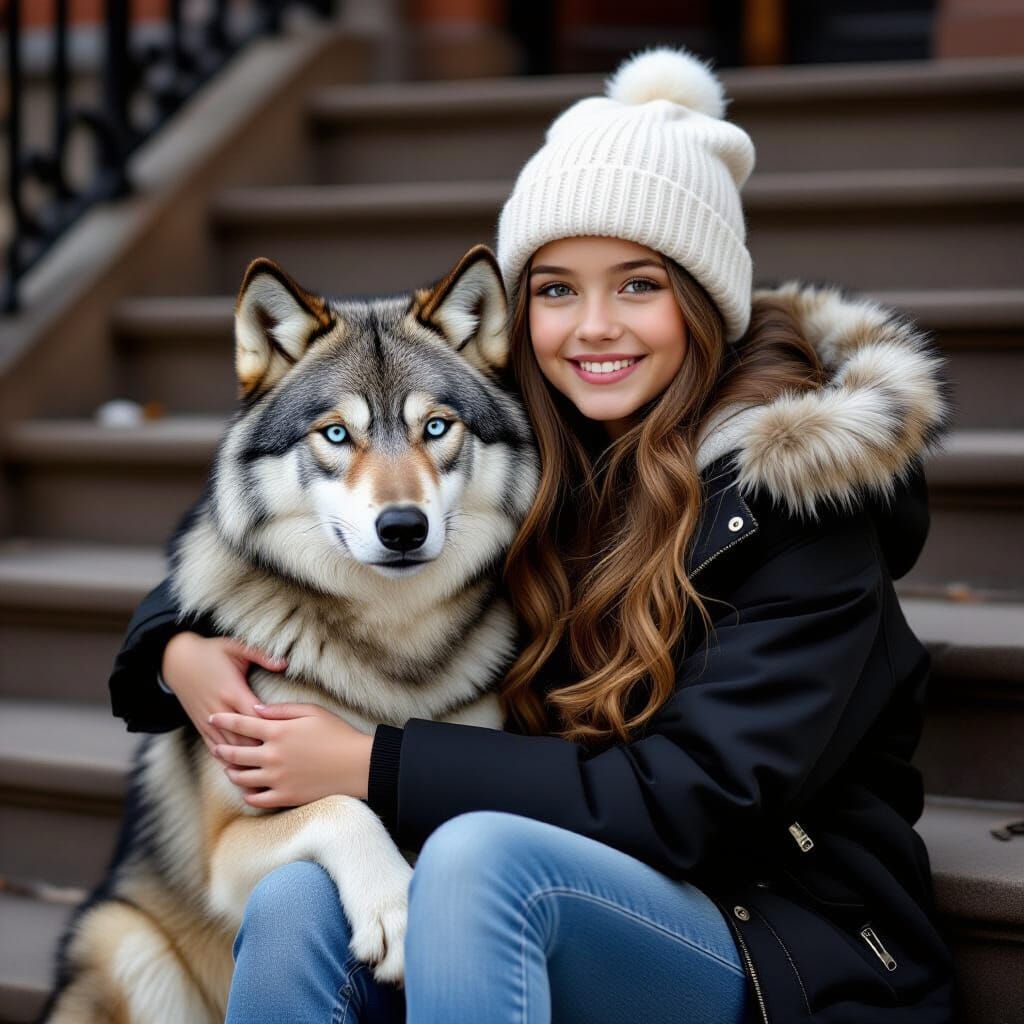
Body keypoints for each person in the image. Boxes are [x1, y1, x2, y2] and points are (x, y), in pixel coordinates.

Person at [107, 47, 956, 1024]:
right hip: (554, 895)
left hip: (781, 939)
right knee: (301, 893)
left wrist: (371, 763)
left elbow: (696, 798)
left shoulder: (801, 504)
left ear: (704, 296)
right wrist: (175, 647)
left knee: (478, 858)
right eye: (554, 289)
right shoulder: (532, 439)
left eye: (636, 284)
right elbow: (308, 521)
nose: (593, 327)